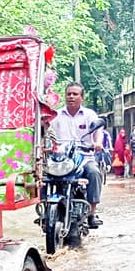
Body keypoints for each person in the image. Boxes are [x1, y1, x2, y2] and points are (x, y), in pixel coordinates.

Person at [49, 82, 104, 228]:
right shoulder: (56, 115)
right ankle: (45, 211)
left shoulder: (89, 115)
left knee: (94, 172)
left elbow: (98, 131)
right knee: (44, 176)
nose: (71, 97)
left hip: (84, 157)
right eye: (69, 94)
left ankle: (92, 213)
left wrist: (98, 143)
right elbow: (47, 132)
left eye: (75, 94)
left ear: (82, 97)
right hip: (61, 159)